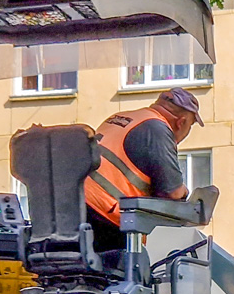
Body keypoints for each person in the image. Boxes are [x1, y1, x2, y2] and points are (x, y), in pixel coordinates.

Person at [84, 87, 205, 244]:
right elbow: (172, 192)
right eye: (190, 126)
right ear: (181, 123)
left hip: (76, 204)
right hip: (103, 215)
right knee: (140, 264)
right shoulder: (157, 129)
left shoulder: (122, 117)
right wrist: (185, 191)